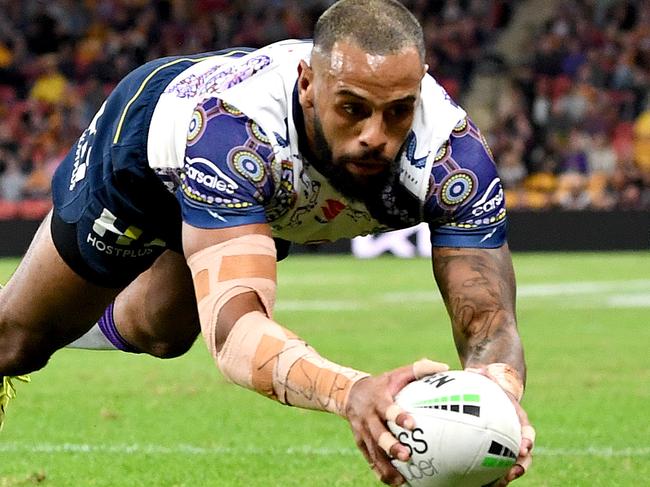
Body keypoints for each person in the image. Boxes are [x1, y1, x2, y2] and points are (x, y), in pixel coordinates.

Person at [0, 0, 535, 485]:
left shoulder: (453, 160)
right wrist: (352, 393)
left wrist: (499, 405)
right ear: (308, 85)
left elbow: (490, 324)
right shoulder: (234, 132)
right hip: (150, 149)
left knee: (165, 334)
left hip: (271, 194)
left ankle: (67, 317)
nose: (376, 134)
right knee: (16, 342)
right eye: (352, 108)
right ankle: (46, 315)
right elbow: (236, 334)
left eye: (398, 110)